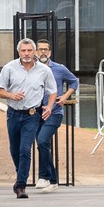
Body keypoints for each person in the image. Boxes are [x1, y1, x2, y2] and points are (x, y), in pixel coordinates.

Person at [0, 39, 58, 199]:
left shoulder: (44, 70)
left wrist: (49, 107)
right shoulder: (9, 68)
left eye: (29, 50)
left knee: (25, 149)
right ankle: (20, 173)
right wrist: (11, 95)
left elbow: (53, 91)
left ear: (34, 52)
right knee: (15, 150)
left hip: (32, 114)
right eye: (23, 51)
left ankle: (20, 185)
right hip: (13, 113)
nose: (27, 54)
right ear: (19, 52)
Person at [33, 40, 78, 193]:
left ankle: (44, 177)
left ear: (50, 52)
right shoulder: (31, 69)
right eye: (40, 50)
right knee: (42, 145)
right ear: (35, 52)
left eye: (45, 50)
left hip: (54, 112)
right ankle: (52, 180)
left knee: (42, 140)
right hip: (36, 112)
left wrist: (65, 96)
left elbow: (74, 81)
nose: (43, 52)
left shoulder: (59, 69)